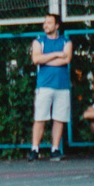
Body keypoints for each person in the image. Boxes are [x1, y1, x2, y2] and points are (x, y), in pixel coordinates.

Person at [28, 15, 73, 160]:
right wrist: (56, 54)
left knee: (59, 118)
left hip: (62, 86)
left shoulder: (66, 41)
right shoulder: (39, 41)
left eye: (49, 23)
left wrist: (46, 59)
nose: (45, 25)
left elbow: (66, 59)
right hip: (44, 85)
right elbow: (36, 59)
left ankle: (55, 149)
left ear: (57, 25)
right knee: (40, 117)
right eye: (45, 23)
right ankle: (35, 149)